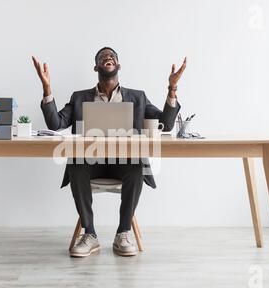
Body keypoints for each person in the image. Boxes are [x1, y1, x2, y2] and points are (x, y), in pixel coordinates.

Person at [32, 47, 186, 257]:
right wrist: (47, 88)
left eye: (112, 56)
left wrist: (172, 89)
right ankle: (90, 234)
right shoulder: (79, 98)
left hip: (124, 163)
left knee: (135, 168)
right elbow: (56, 123)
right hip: (90, 163)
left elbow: (166, 125)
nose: (108, 57)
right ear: (96, 66)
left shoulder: (137, 97)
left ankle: (123, 233)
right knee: (76, 167)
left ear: (118, 66)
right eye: (102, 57)